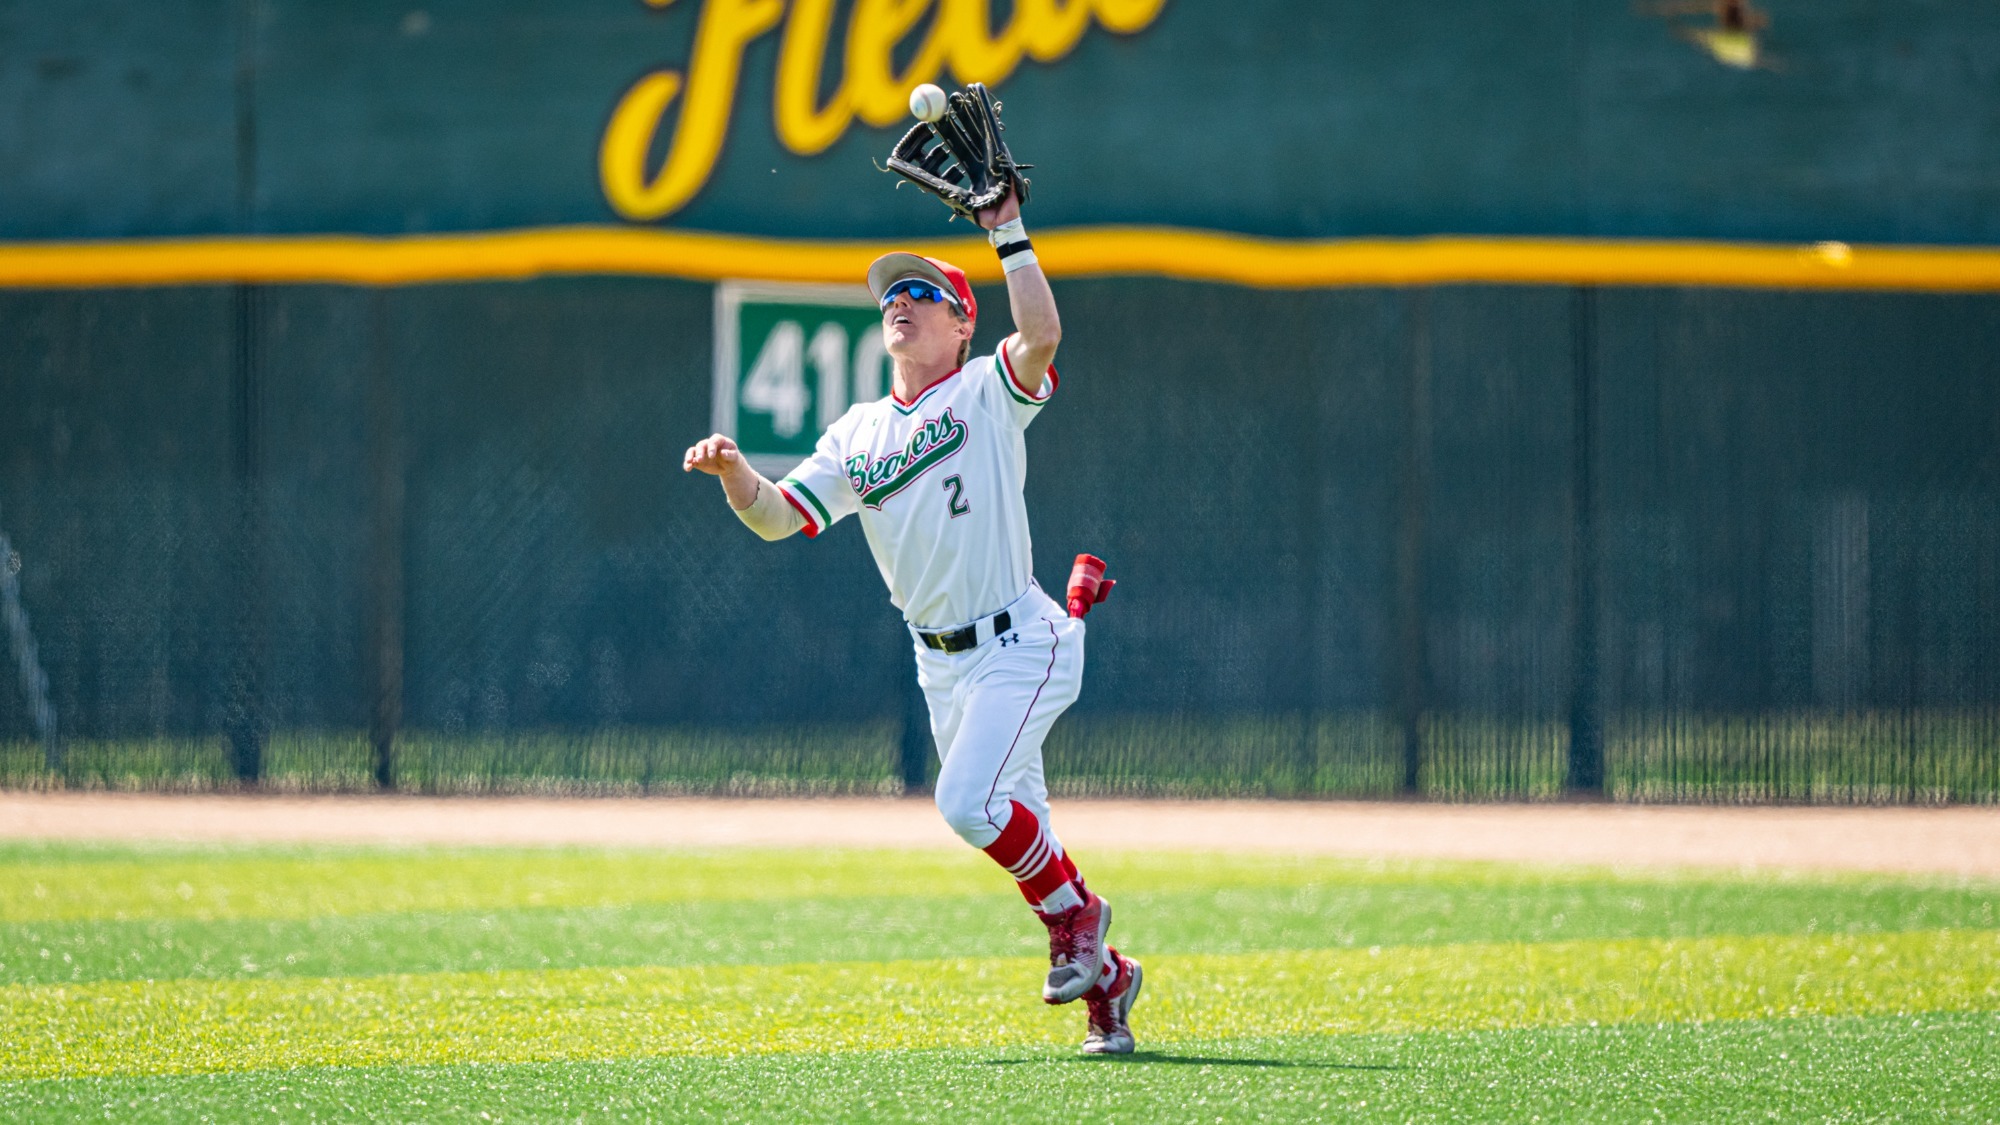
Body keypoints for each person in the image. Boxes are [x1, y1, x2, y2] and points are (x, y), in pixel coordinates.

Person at [681, 191, 1142, 1054]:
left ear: (963, 324)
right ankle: (1109, 982)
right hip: (942, 669)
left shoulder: (985, 391)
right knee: (1016, 821)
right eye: (892, 294)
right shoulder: (856, 434)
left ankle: (1080, 915)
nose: (900, 302)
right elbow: (781, 516)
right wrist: (738, 475)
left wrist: (1006, 230)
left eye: (922, 293)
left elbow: (1041, 337)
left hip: (1020, 643)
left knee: (967, 802)